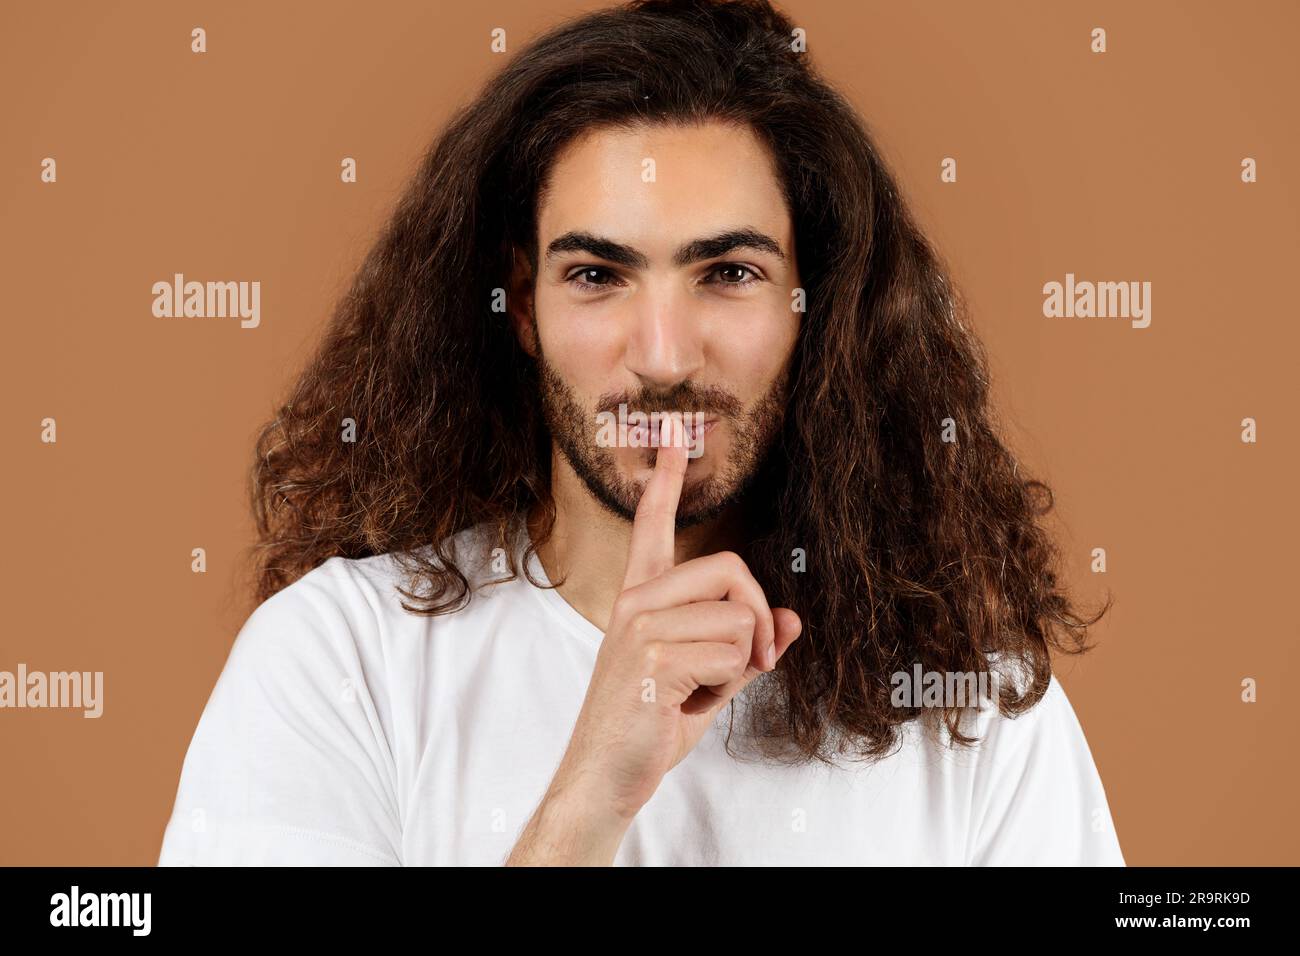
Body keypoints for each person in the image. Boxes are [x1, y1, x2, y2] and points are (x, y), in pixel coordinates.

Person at [158, 0, 1124, 866]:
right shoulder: (338, 660)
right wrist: (586, 801)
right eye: (595, 275)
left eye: (730, 272)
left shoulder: (969, 703)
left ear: (810, 307)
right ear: (523, 307)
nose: (663, 356)